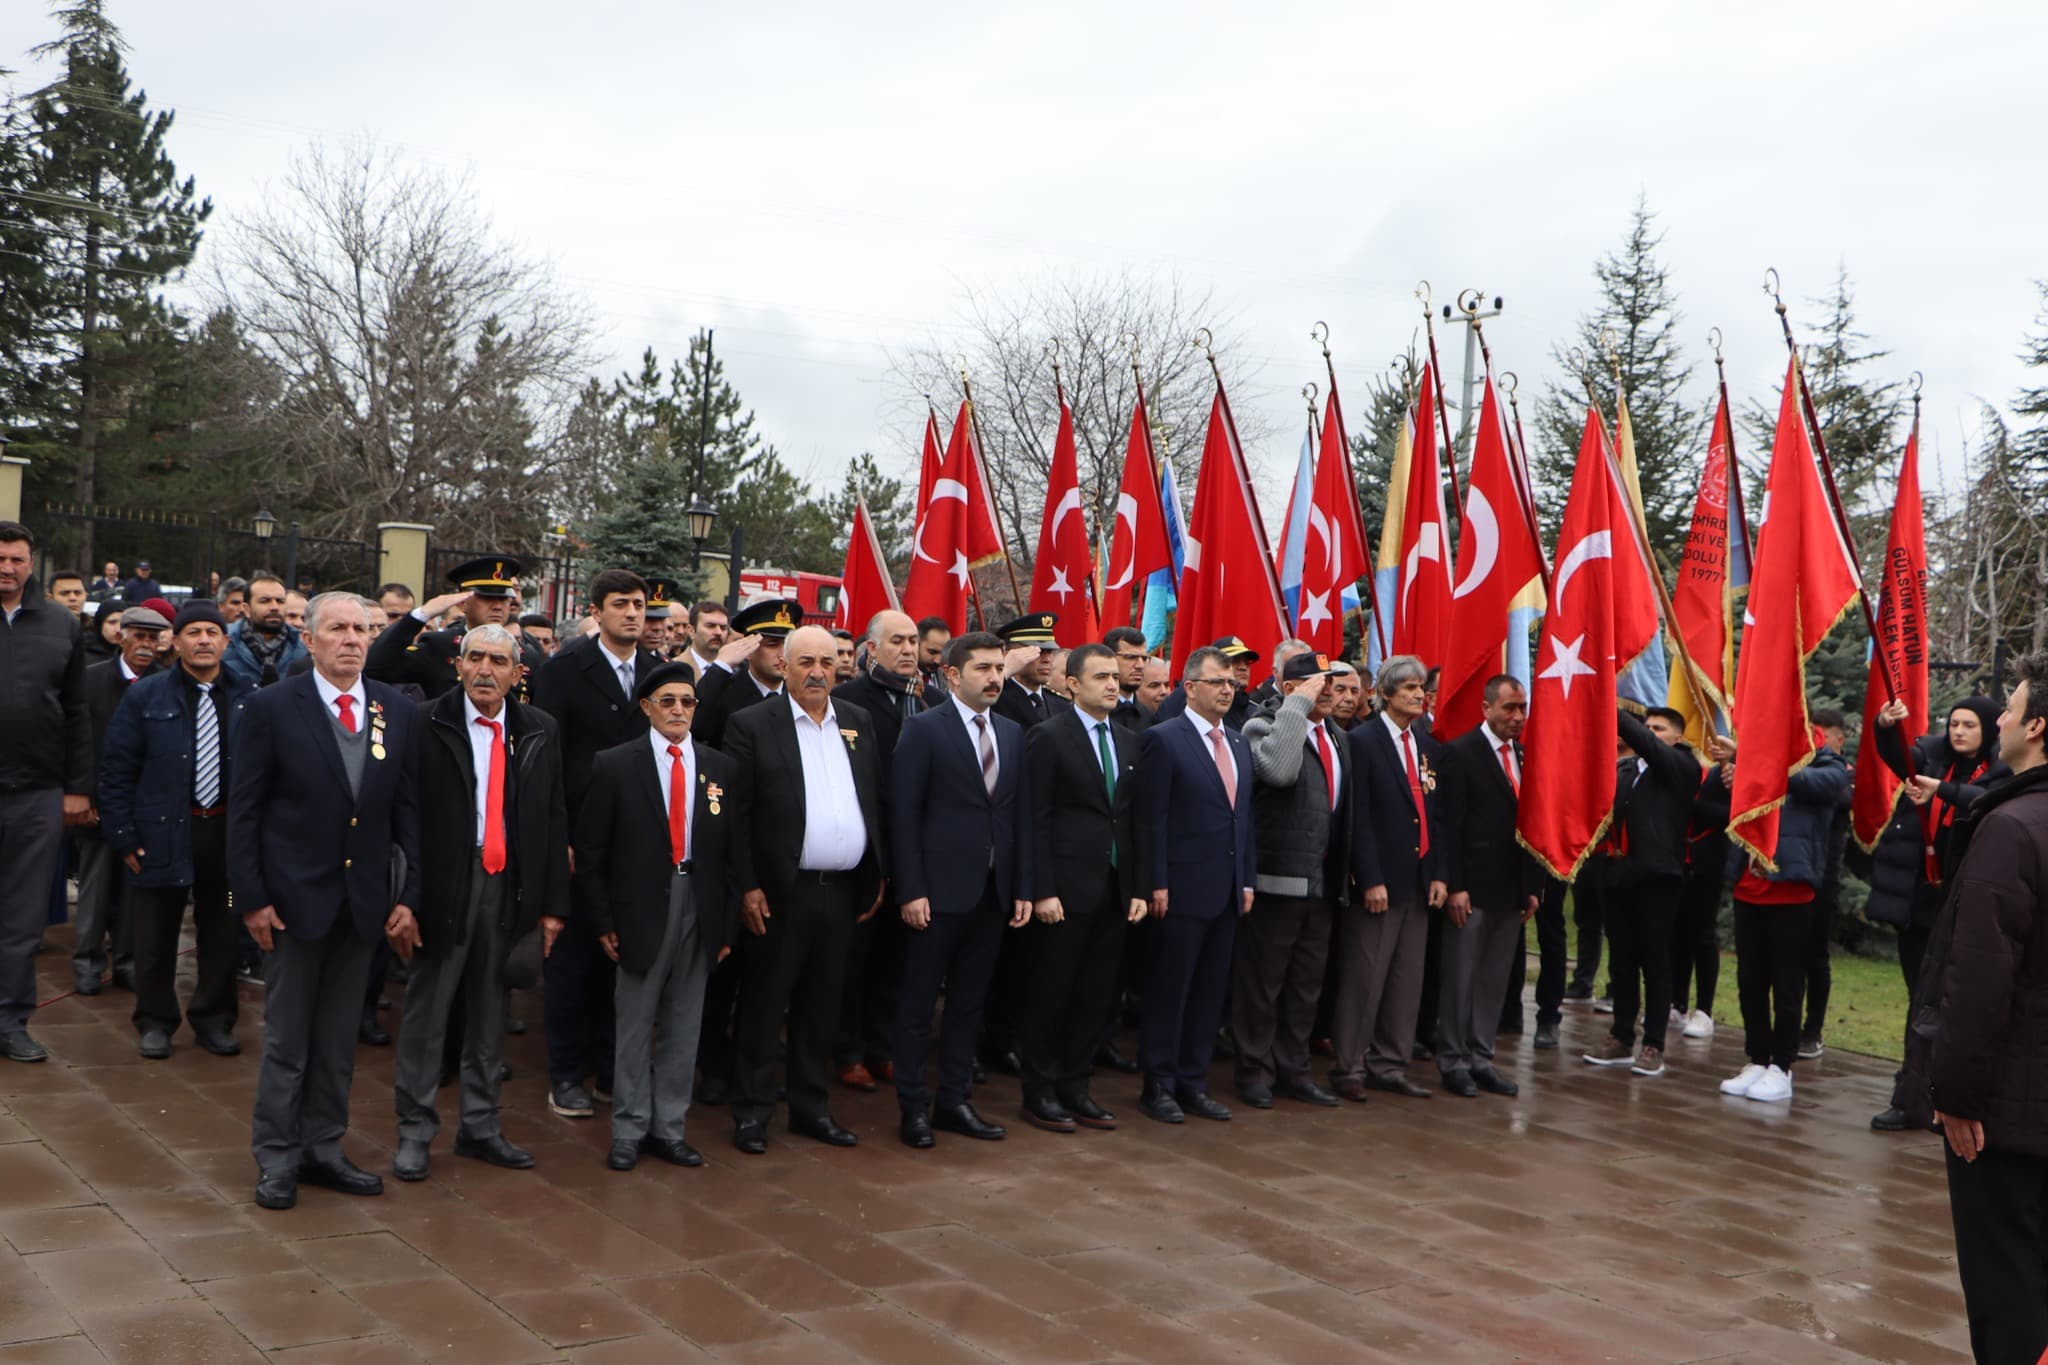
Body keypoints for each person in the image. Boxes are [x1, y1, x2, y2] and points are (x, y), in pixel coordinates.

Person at [231, 592, 422, 1210]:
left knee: (339, 1039)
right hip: (292, 900)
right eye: (336, 629)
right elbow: (246, 812)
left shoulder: (396, 709)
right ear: (308, 639)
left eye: (361, 630)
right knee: (288, 1039)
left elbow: (407, 814)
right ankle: (277, 1156)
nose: (351, 639)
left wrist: (409, 895)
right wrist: (252, 898)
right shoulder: (270, 708)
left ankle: (323, 1146)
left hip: (362, 903)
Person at [1893, 653, 2048, 1365]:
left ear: (2037, 727)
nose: (2001, 720)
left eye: (2011, 708)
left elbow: (1978, 971)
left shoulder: (2014, 827)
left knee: (2007, 1281)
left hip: (2006, 1111)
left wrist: (1953, 1093)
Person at [393, 624, 568, 1182]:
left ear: (519, 674)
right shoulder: (424, 723)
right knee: (428, 1013)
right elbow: (402, 817)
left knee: (493, 1015)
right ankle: (415, 1132)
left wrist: (551, 907)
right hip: (445, 882)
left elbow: (553, 818)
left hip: (510, 883)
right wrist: (407, 897)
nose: (485, 670)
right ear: (458, 665)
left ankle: (481, 1126)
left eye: (498, 661)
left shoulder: (540, 730)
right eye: (475, 658)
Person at [726, 626, 886, 1153]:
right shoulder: (752, 725)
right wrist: (747, 885)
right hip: (779, 893)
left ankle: (811, 1108)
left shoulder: (857, 723)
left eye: (827, 662)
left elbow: (871, 801)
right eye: (806, 662)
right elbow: (737, 817)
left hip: (840, 893)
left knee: (823, 1006)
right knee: (765, 1004)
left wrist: (876, 873)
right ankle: (751, 1113)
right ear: (785, 667)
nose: (818, 671)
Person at [576, 660, 740, 1170]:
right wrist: (603, 920)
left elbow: (734, 853)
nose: (678, 710)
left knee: (684, 1022)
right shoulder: (616, 765)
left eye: (687, 702)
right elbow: (591, 853)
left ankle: (669, 1127)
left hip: (700, 901)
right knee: (635, 1021)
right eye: (666, 701)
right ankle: (628, 1129)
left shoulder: (719, 768)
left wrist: (726, 923)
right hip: (640, 906)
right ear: (647, 708)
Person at [892, 630, 1031, 1147]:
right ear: (952, 674)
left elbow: (1017, 816)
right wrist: (911, 890)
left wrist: (1021, 885)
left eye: (999, 668)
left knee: (970, 1003)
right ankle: (913, 1107)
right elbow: (903, 816)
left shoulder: (1013, 734)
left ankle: (954, 1100)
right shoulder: (925, 730)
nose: (996, 677)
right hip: (936, 894)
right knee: (918, 1005)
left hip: (992, 894)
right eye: (983, 669)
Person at [531, 569, 659, 1119]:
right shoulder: (563, 671)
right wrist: (557, 838)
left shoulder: (656, 672)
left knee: (624, 959)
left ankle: (612, 1070)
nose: (633, 614)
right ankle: (566, 1074)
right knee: (574, 961)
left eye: (640, 605)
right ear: (597, 610)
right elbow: (548, 763)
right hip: (580, 837)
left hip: (638, 841)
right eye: (621, 604)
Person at [97, 602, 250, 1059]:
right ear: (176, 641)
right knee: (155, 935)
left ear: (226, 641)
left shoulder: (250, 696)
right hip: (162, 834)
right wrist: (123, 835)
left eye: (212, 631)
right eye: (193, 632)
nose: (203, 639)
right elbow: (117, 769)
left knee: (222, 931)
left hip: (224, 835)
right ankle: (155, 1020)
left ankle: (214, 1019)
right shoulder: (147, 696)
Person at [1866, 693, 2006, 1133]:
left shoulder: (2000, 770)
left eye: (1970, 726)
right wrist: (1885, 726)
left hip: (1964, 905)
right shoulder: (1932, 755)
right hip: (1921, 903)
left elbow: (1985, 798)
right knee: (1919, 1003)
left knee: (1951, 1009)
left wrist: (1940, 790)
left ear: (1988, 732)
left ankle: (1945, 1100)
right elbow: (1897, 757)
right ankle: (1909, 1098)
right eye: (1954, 724)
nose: (1959, 732)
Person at [1020, 643, 1145, 1131]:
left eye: (1115, 676)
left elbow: (1133, 822)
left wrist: (1137, 885)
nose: (1113, 684)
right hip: (1064, 893)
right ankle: (1039, 1092)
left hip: (1113, 892)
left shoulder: (1130, 739)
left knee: (1097, 998)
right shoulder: (1048, 737)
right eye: (1101, 677)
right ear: (1072, 684)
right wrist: (1043, 889)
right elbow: (1036, 818)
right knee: (1052, 994)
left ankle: (1077, 1085)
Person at [1136, 644, 1255, 1123]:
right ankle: (1158, 1085)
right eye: (1217, 682)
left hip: (1226, 890)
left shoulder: (1241, 742)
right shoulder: (1164, 739)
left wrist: (1245, 879)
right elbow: (1153, 820)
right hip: (1180, 889)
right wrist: (1157, 883)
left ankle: (1192, 1081)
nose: (1227, 690)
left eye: (1231, 683)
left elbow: (1244, 820)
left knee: (1209, 993)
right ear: (1190, 687)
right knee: (1172, 990)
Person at [1233, 650, 1350, 1110]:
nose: (1332, 694)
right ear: (1290, 687)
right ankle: (1254, 1071)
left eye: (1334, 685)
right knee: (1263, 985)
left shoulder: (1338, 737)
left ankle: (1294, 1069)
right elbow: (1279, 772)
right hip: (1277, 882)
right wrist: (1294, 709)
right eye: (1321, 684)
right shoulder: (1263, 726)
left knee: (1305, 987)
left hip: (1321, 884)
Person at [1713, 722, 1852, 1105]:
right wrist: (1731, 773)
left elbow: (1812, 785)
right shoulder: (1756, 759)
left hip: (1792, 889)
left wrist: (1748, 760)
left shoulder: (1829, 764)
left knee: (1787, 982)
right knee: (1750, 980)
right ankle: (1757, 1058)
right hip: (1749, 886)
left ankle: (1782, 1065)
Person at [1332, 654, 1445, 1101]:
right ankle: (1349, 1067)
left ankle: (1389, 1063)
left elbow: (1435, 814)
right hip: (1379, 883)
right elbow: (1357, 817)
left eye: (1422, 688)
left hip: (1418, 880)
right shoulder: (1363, 742)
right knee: (1366, 977)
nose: (1420, 695)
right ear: (1385, 694)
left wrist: (1439, 872)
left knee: (1405, 978)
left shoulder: (1425, 743)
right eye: (1410, 689)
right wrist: (1369, 876)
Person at [0, 522, 92, 1065]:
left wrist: (78, 788)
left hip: (37, 793)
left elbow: (78, 711)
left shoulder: (61, 624)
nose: (6, 568)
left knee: (24, 917)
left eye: (16, 559)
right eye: (0, 558)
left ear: (31, 562)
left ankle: (11, 1021)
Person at [829, 608, 927, 1092]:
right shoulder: (847, 700)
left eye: (912, 640)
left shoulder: (928, 703)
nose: (908, 649)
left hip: (914, 850)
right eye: (897, 641)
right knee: (856, 960)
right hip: (865, 851)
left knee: (898, 957)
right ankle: (846, 1051)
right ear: (872, 649)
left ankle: (881, 1046)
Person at [1432, 675, 1538, 1097]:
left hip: (1511, 889)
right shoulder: (1460, 753)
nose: (1517, 717)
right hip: (1471, 889)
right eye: (1509, 708)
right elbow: (1448, 825)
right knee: (1461, 977)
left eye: (1522, 709)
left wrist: (1533, 884)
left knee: (1493, 978)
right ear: (1487, 708)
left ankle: (1481, 1056)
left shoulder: (1525, 756)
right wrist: (1455, 884)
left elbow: (1531, 822)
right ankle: (1453, 1059)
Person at [1581, 708, 1701, 1078]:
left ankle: (1654, 1044)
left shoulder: (1681, 766)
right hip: (1619, 876)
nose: (1649, 733)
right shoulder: (1626, 771)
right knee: (1622, 960)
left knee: (1655, 962)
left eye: (1659, 729)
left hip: (1658, 879)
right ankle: (1621, 1036)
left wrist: (1609, 705)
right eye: (1647, 727)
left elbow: (1649, 747)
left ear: (1678, 737)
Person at [72, 606, 167, 996]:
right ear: (120, 636)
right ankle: (87, 962)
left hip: (145, 809)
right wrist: (84, 795)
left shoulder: (166, 682)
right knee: (95, 889)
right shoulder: (92, 681)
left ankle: (127, 961)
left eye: (152, 638)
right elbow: (80, 742)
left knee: (134, 891)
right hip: (98, 803)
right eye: (138, 636)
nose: (145, 645)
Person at [368, 556, 542, 701]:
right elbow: (376, 668)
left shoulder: (527, 656)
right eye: (487, 598)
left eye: (504, 599)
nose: (497, 606)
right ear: (462, 603)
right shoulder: (437, 647)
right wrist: (420, 615)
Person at [1671, 729, 1736, 1044]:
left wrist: (1689, 805)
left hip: (1709, 860)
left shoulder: (1725, 770)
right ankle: (1677, 1003)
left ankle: (1704, 1010)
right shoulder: (1679, 764)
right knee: (1678, 932)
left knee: (1702, 934)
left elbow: (1733, 814)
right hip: (1678, 860)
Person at [1799, 707, 1854, 1059]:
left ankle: (1812, 1030)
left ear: (1839, 739)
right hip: (1793, 873)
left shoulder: (1841, 773)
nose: (1817, 741)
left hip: (1823, 879)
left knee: (1815, 958)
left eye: (1824, 736)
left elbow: (1837, 797)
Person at [693, 599, 797, 752]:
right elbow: (696, 726)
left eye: (787, 645)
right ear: (749, 649)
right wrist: (720, 667)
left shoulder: (798, 693)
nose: (782, 654)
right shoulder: (726, 693)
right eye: (772, 645)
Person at [1154, 637, 1260, 731]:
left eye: (1247, 662)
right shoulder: (1186, 699)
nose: (1243, 667)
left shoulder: (1253, 708)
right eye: (1234, 660)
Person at [222, 574, 308, 689]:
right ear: (246, 609)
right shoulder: (223, 642)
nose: (274, 607)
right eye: (265, 601)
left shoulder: (303, 648)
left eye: (280, 601)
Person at [993, 613, 1070, 728]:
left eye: (1049, 652)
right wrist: (1005, 670)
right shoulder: (997, 697)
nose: (1047, 660)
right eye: (1037, 651)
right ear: (1008, 654)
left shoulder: (1061, 705)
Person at [1104, 626, 1153, 732]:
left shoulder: (1150, 717)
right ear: (1109, 658)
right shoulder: (1094, 713)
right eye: (1130, 657)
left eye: (1144, 658)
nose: (1140, 665)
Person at [684, 600, 730, 680]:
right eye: (710, 626)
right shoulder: (674, 667)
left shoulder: (734, 670)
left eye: (723, 628)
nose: (718, 632)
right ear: (691, 630)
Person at [916, 616, 952, 698]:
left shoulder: (948, 680)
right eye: (932, 652)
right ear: (916, 644)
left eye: (942, 653)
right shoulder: (899, 678)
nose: (938, 661)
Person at [1328, 663, 1364, 731]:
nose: (1349, 698)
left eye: (1354, 691)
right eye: (1340, 690)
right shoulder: (1306, 730)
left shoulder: (1366, 734)